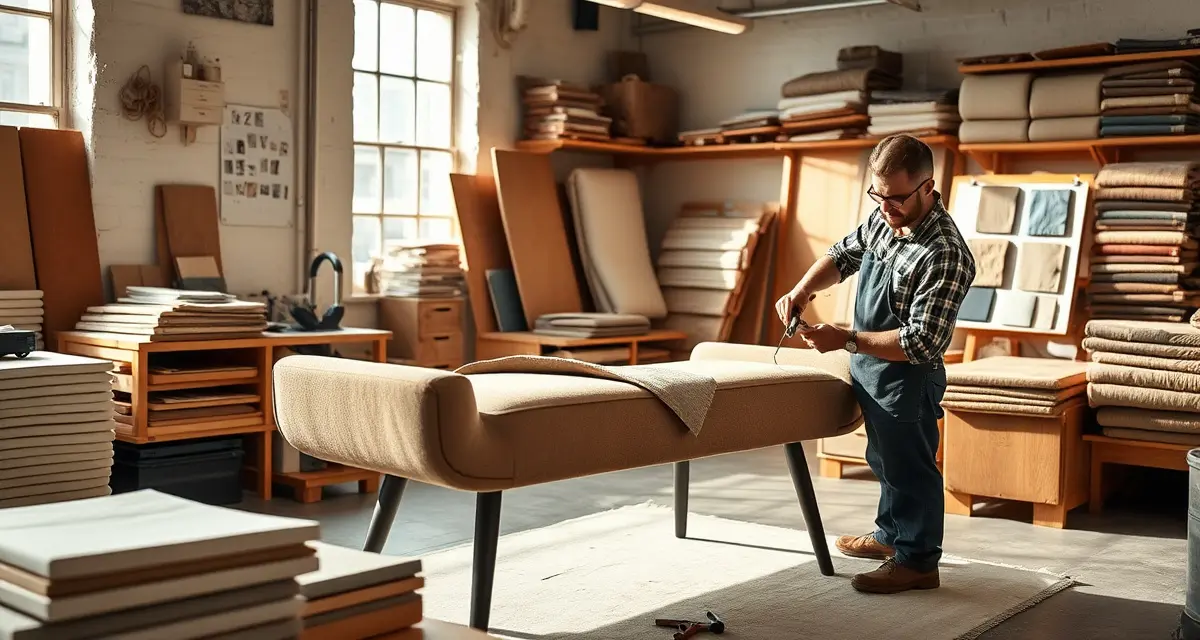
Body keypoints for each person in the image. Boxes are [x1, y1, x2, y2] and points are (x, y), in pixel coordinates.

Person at [774, 134, 976, 595]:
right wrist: (802, 291)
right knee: (883, 459)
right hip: (871, 368)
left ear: (928, 187)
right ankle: (890, 537)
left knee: (910, 468)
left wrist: (844, 338)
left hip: (909, 378)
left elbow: (922, 342)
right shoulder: (887, 216)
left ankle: (919, 562)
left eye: (897, 198)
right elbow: (844, 254)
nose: (886, 207)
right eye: (878, 195)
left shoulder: (944, 253)